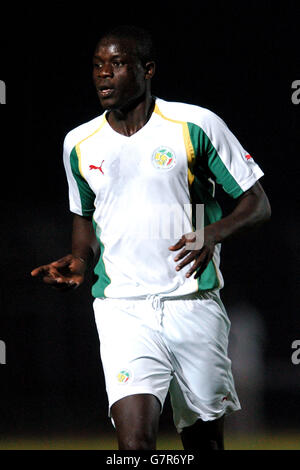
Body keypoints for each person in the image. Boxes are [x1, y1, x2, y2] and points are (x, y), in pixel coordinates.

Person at [31, 25, 271, 450]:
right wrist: (80, 261)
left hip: (191, 304)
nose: (104, 74)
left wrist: (210, 233)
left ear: (147, 69)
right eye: (97, 65)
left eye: (117, 64)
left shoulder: (195, 125)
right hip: (122, 309)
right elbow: (85, 219)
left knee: (202, 445)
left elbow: (256, 203)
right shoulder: (80, 144)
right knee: (135, 446)